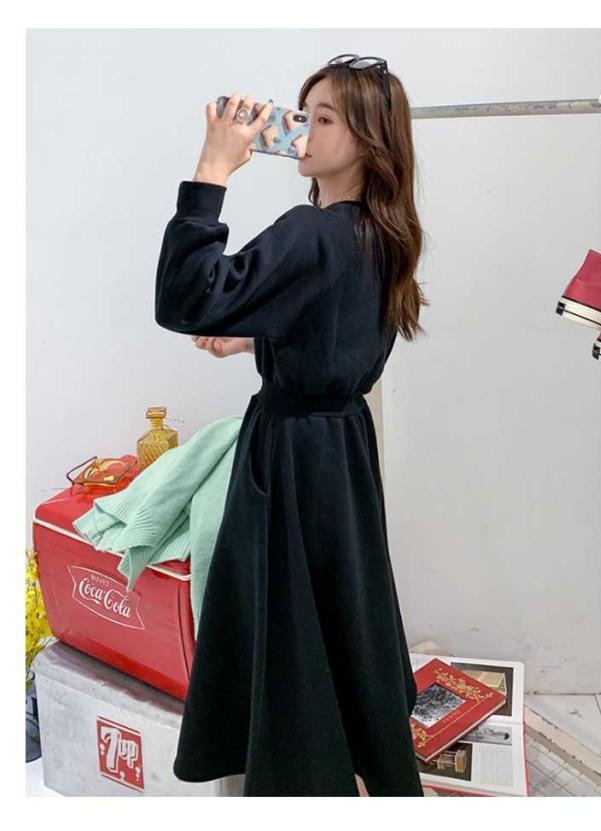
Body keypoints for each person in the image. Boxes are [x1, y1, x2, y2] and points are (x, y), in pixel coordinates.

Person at [155, 55, 430, 797]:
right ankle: (363, 759)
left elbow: (185, 298)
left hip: (291, 454)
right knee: (342, 607)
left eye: (326, 118)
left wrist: (213, 169)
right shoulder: (382, 231)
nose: (304, 131)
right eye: (304, 114)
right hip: (341, 448)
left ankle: (305, 773)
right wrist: (257, 337)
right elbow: (339, 327)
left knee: (291, 621)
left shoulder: (312, 230)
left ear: (370, 139)